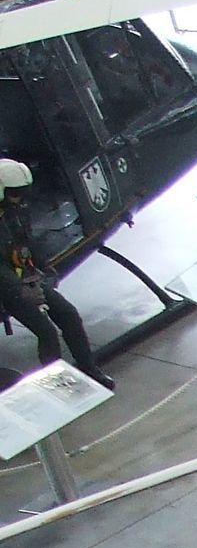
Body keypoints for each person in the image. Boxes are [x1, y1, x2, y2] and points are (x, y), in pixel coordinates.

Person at [0, 160, 111, 388]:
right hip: (8, 289)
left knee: (69, 315)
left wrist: (44, 267)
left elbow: (25, 242)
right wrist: (19, 288)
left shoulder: (15, 212)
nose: (19, 198)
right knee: (47, 332)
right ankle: (59, 386)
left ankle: (89, 369)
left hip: (27, 277)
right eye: (14, 193)